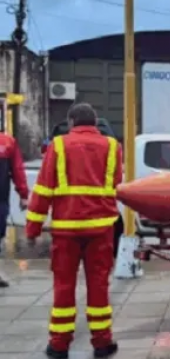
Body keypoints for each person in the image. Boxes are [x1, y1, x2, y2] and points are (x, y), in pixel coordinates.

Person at [26, 103, 122, 359]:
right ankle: (102, 343)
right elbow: (115, 184)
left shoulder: (57, 146)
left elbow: (44, 189)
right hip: (101, 229)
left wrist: (33, 228)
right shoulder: (113, 147)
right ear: (95, 123)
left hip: (66, 230)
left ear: (71, 122)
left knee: (64, 286)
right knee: (99, 285)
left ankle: (59, 346)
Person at [0, 131, 29, 288]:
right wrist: (24, 195)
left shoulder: (7, 143)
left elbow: (17, 170)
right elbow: (17, 170)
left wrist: (24, 194)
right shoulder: (7, 143)